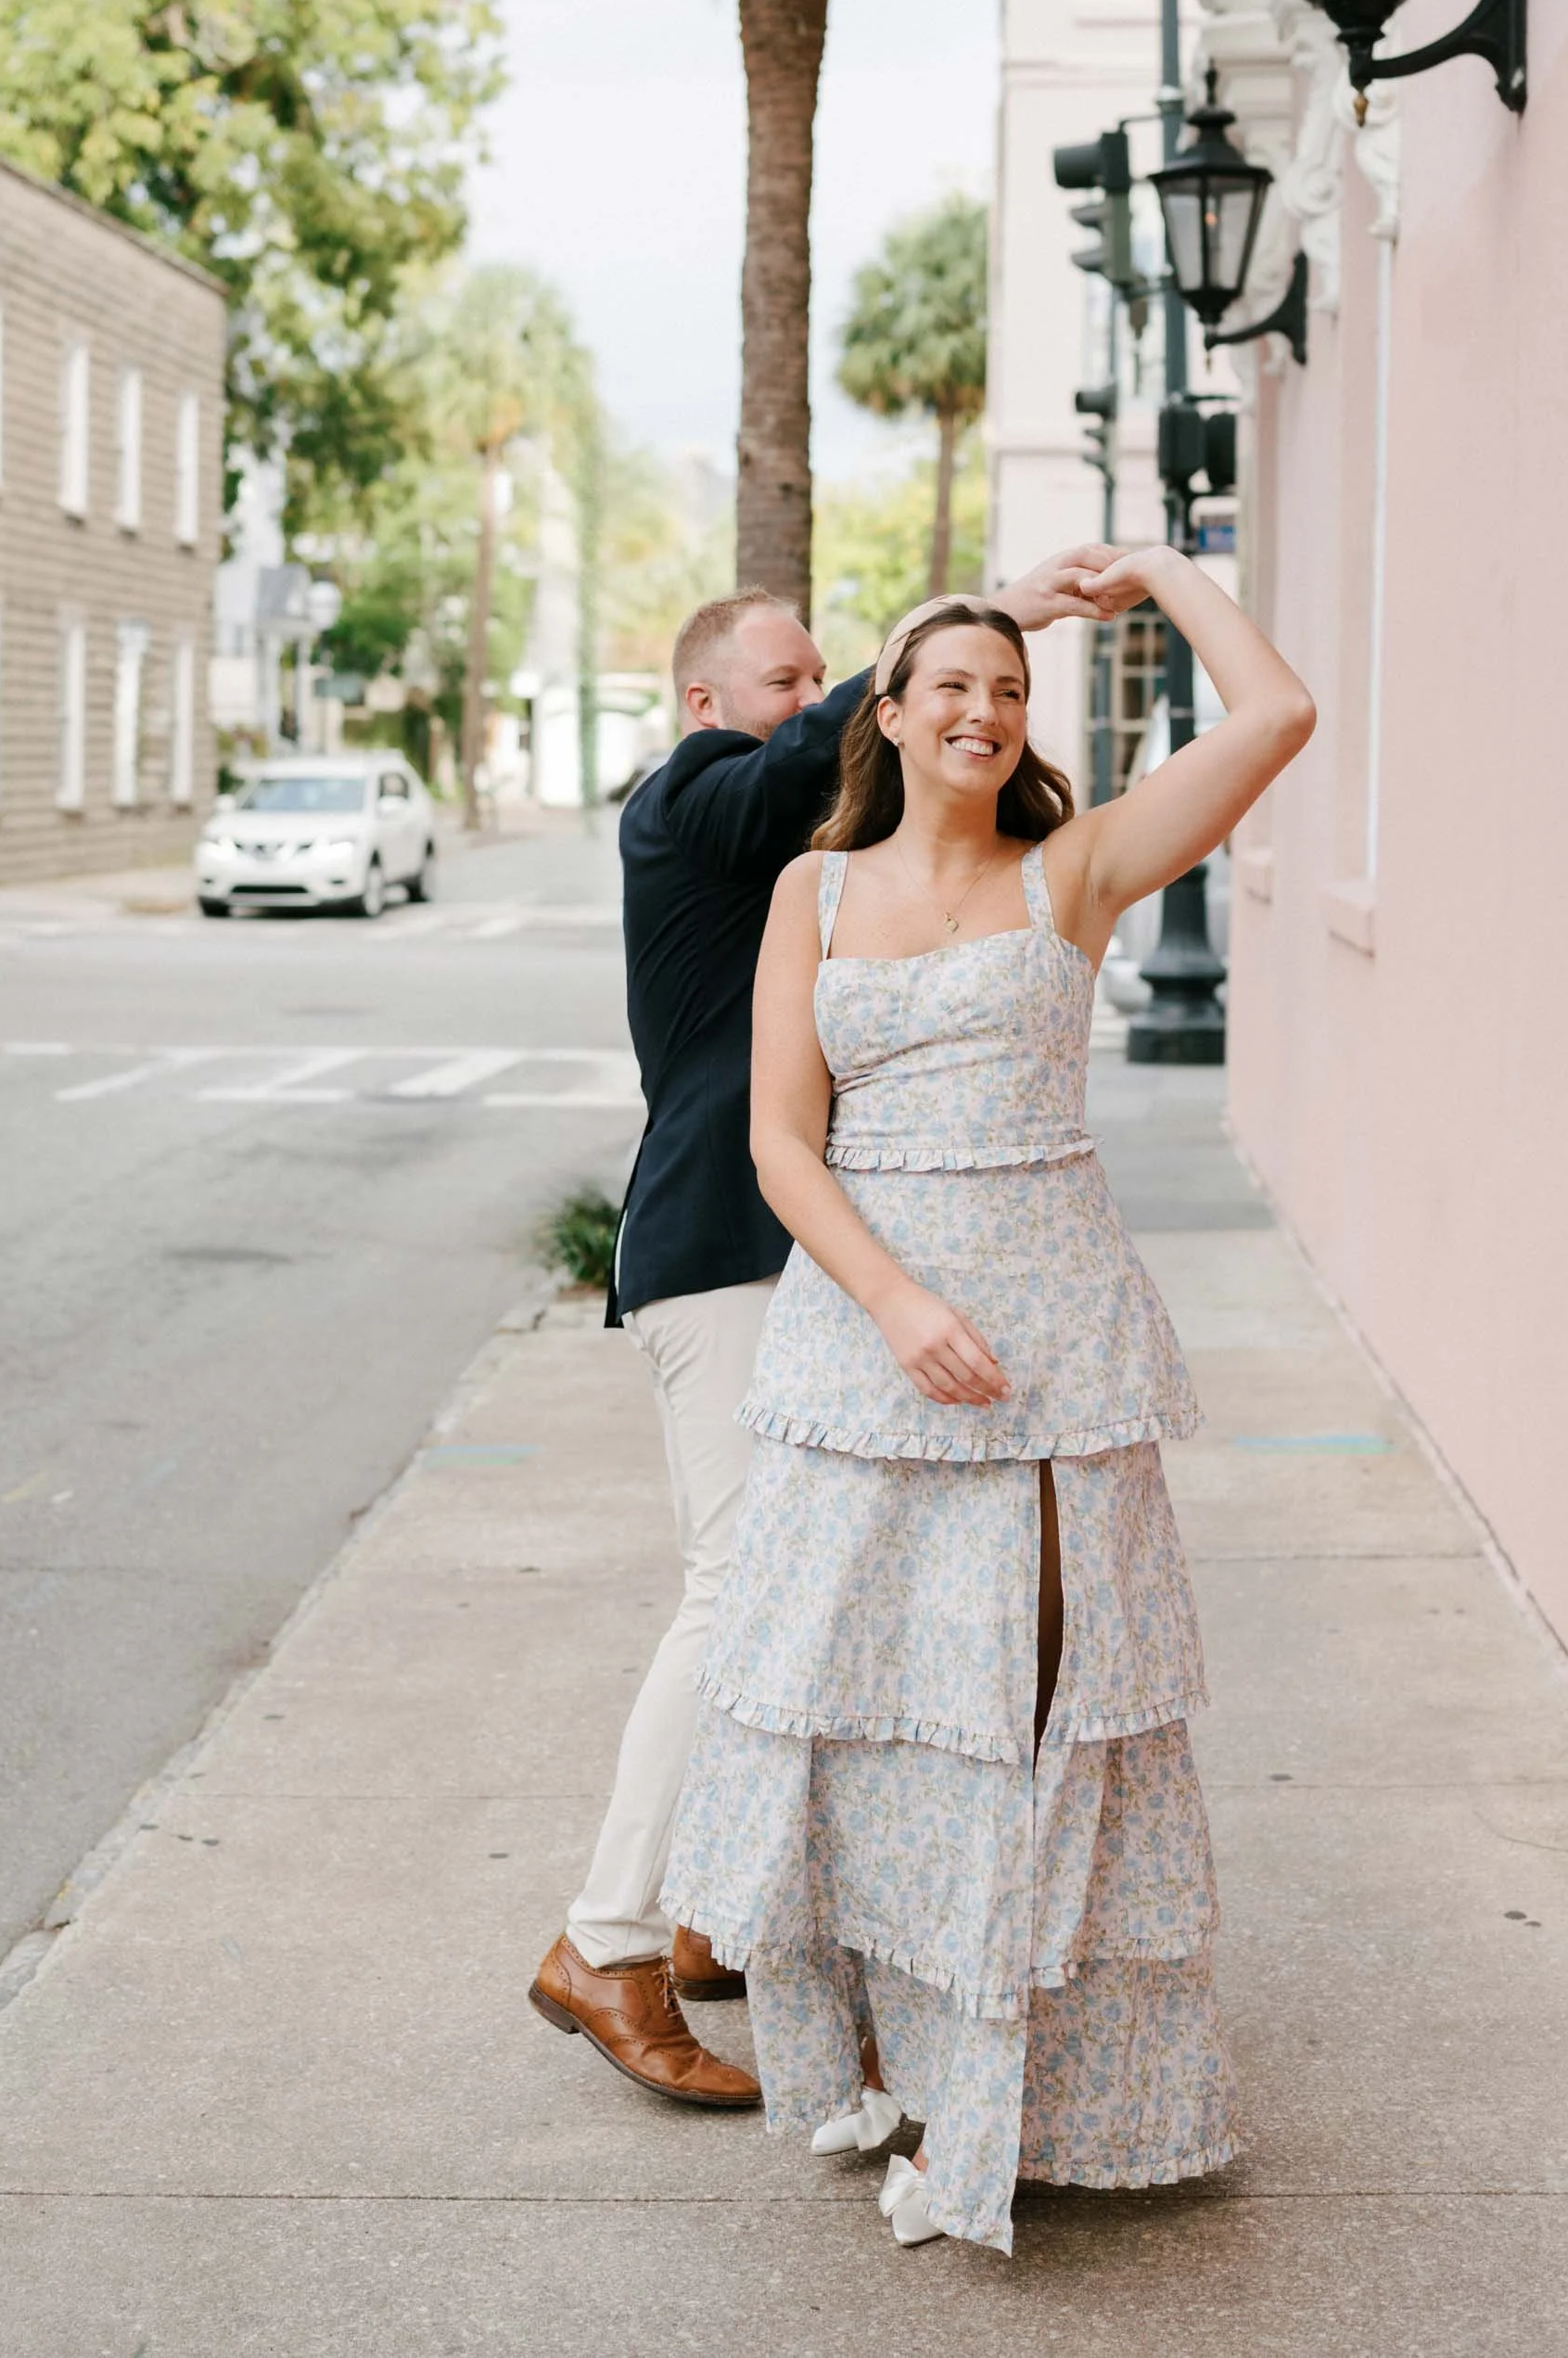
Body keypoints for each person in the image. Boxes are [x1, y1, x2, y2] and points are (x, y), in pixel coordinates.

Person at [663, 550, 1316, 2248]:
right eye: (950, 683)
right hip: (866, 1357)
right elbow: (781, 1142)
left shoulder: (1075, 872)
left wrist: (1165, 570)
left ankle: (1041, 2089)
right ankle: (919, 2068)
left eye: (1009, 689)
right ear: (888, 715)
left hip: (1053, 1354)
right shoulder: (813, 895)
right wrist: (894, 1304)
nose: (983, 709)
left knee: (1043, 1700)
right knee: (869, 1707)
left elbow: (1281, 713)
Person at [528, 551, 1119, 2109]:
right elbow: (803, 759)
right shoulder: (689, 795)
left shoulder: (818, 864)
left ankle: (718, 1911)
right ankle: (608, 1941)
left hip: (788, 1267)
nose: (812, 702)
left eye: (821, 675)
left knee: (793, 1599)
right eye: (789, 678)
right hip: (723, 1247)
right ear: (706, 701)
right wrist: (968, 624)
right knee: (736, 1596)